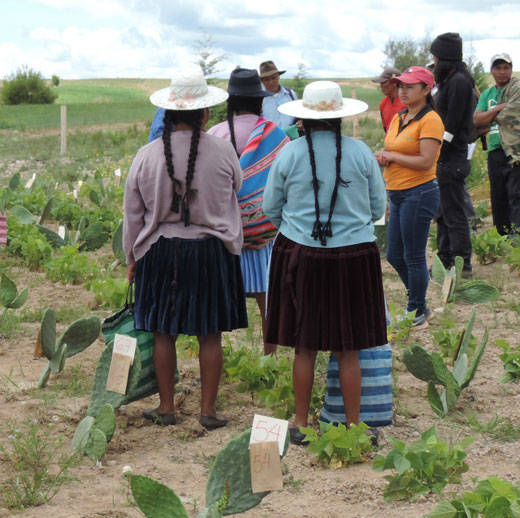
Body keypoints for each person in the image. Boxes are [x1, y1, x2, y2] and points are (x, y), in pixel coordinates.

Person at [262, 82, 387, 444]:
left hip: (301, 255)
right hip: (353, 257)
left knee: (305, 345)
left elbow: (272, 207)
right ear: (340, 118)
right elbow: (378, 208)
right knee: (348, 347)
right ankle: (352, 427)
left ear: (303, 120)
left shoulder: (289, 154)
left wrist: (300, 227)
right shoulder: (361, 153)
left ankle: (300, 423)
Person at [124, 68, 246, 430]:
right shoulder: (224, 151)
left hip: (160, 252)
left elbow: (133, 214)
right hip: (211, 251)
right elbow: (235, 189)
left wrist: (132, 257)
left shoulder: (145, 156)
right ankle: (207, 411)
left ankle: (166, 408)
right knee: (210, 334)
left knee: (164, 331)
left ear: (168, 113)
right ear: (205, 113)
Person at [207, 67, 288, 353]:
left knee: (217, 295)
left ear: (230, 101)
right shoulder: (275, 135)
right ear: (259, 100)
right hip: (264, 230)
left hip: (224, 231)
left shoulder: (214, 134)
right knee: (267, 295)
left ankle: (217, 351)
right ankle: (269, 354)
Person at [375, 67, 444, 327]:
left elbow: (426, 161)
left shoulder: (431, 120)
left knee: (413, 255)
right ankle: (420, 303)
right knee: (394, 254)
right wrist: (384, 157)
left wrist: (391, 157)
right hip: (398, 193)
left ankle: (416, 310)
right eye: (401, 85)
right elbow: (393, 149)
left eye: (410, 86)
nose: (403, 90)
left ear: (426, 90)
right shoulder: (400, 117)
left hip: (420, 192)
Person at [430, 32, 477, 277]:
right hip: (447, 159)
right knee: (444, 213)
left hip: (452, 159)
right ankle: (445, 261)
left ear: (446, 58)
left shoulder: (458, 82)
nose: (434, 63)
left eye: (436, 58)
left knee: (454, 213)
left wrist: (437, 150)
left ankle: (461, 264)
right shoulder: (452, 80)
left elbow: (453, 124)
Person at [475, 53, 520, 236]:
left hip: (517, 149)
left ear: (511, 69)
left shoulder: (518, 90)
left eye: (506, 68)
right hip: (495, 150)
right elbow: (477, 120)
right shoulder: (487, 94)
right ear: (492, 71)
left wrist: (490, 116)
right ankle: (501, 236)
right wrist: (500, 108)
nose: (502, 72)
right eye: (498, 68)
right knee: (498, 196)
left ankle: (517, 237)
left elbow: (517, 113)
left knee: (517, 194)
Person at [259, 61, 297, 132]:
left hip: (292, 138)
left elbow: (298, 114)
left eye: (273, 78)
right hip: (270, 139)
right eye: (266, 80)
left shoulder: (291, 94)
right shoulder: (259, 99)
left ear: (278, 77)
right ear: (262, 81)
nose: (271, 82)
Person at [373, 66, 403, 131]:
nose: (381, 86)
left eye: (384, 82)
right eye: (380, 83)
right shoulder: (383, 103)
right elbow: (386, 128)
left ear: (395, 83)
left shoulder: (408, 103)